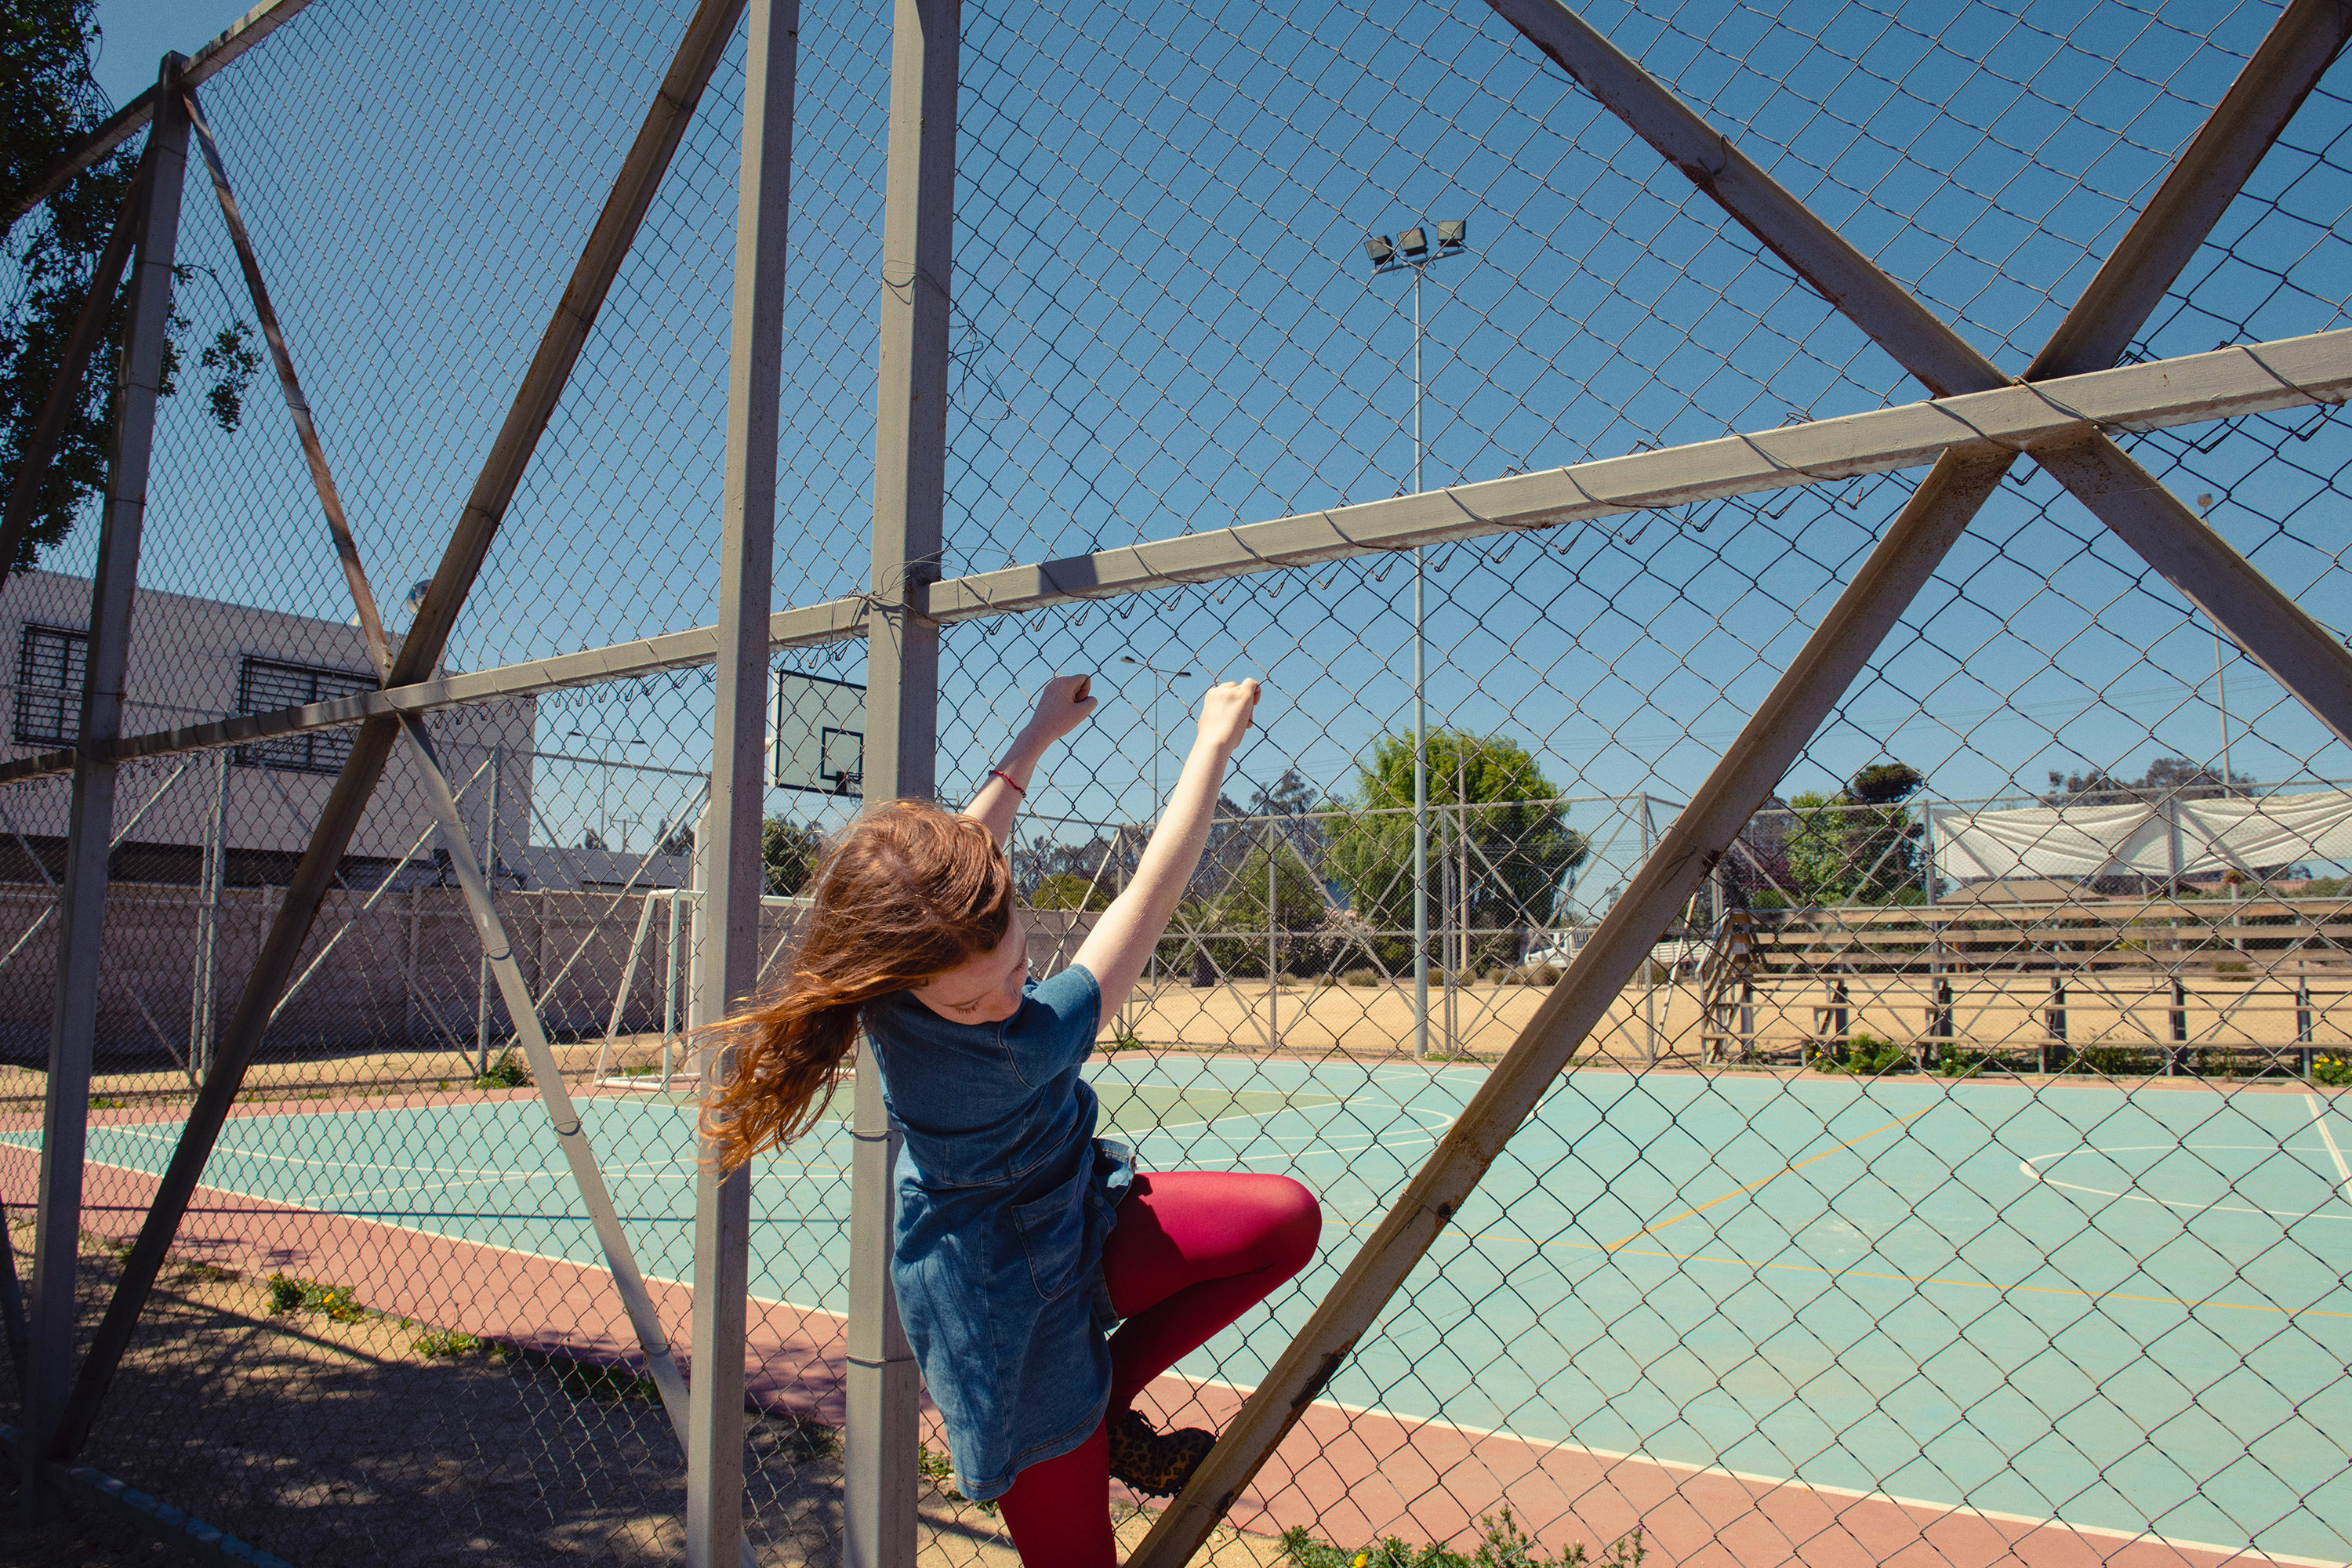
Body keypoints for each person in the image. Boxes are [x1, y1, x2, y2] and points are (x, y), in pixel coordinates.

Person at [702, 673, 1321, 1566]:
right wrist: (1212, 746)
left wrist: (1033, 737)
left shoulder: (904, 975)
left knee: (1282, 1221)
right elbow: (1149, 891)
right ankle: (1084, 1410)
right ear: (897, 977)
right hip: (1000, 1312)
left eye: (1018, 966)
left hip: (1073, 1214)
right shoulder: (1022, 1042)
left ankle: (1109, 1404)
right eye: (973, 999)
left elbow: (957, 858)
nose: (1004, 999)